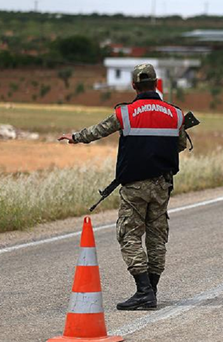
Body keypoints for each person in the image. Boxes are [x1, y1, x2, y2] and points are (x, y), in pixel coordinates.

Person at [58, 64, 187, 310]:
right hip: (162, 185)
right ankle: (151, 290)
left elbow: (98, 131)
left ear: (134, 85)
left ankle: (144, 292)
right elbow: (179, 145)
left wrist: (75, 137)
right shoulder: (176, 114)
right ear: (156, 83)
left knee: (129, 235)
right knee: (157, 238)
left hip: (134, 185)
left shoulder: (125, 113)